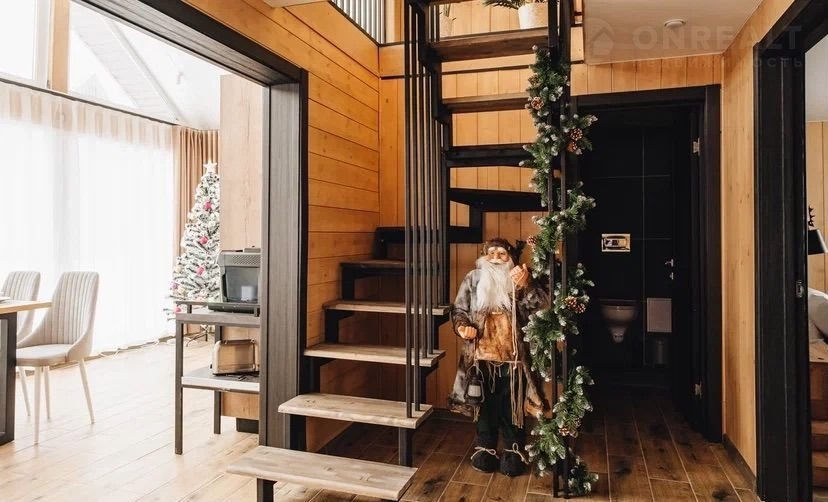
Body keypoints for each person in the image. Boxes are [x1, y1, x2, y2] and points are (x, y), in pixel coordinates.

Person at [448, 238, 549, 476]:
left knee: (511, 403)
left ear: (510, 258)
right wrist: (462, 327)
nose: (495, 258)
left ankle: (514, 449)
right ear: (483, 257)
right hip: (480, 356)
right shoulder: (473, 279)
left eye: (502, 254)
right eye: (491, 253)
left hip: (513, 357)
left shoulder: (521, 278)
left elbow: (541, 309)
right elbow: (459, 310)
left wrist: (527, 286)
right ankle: (485, 447)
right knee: (484, 403)